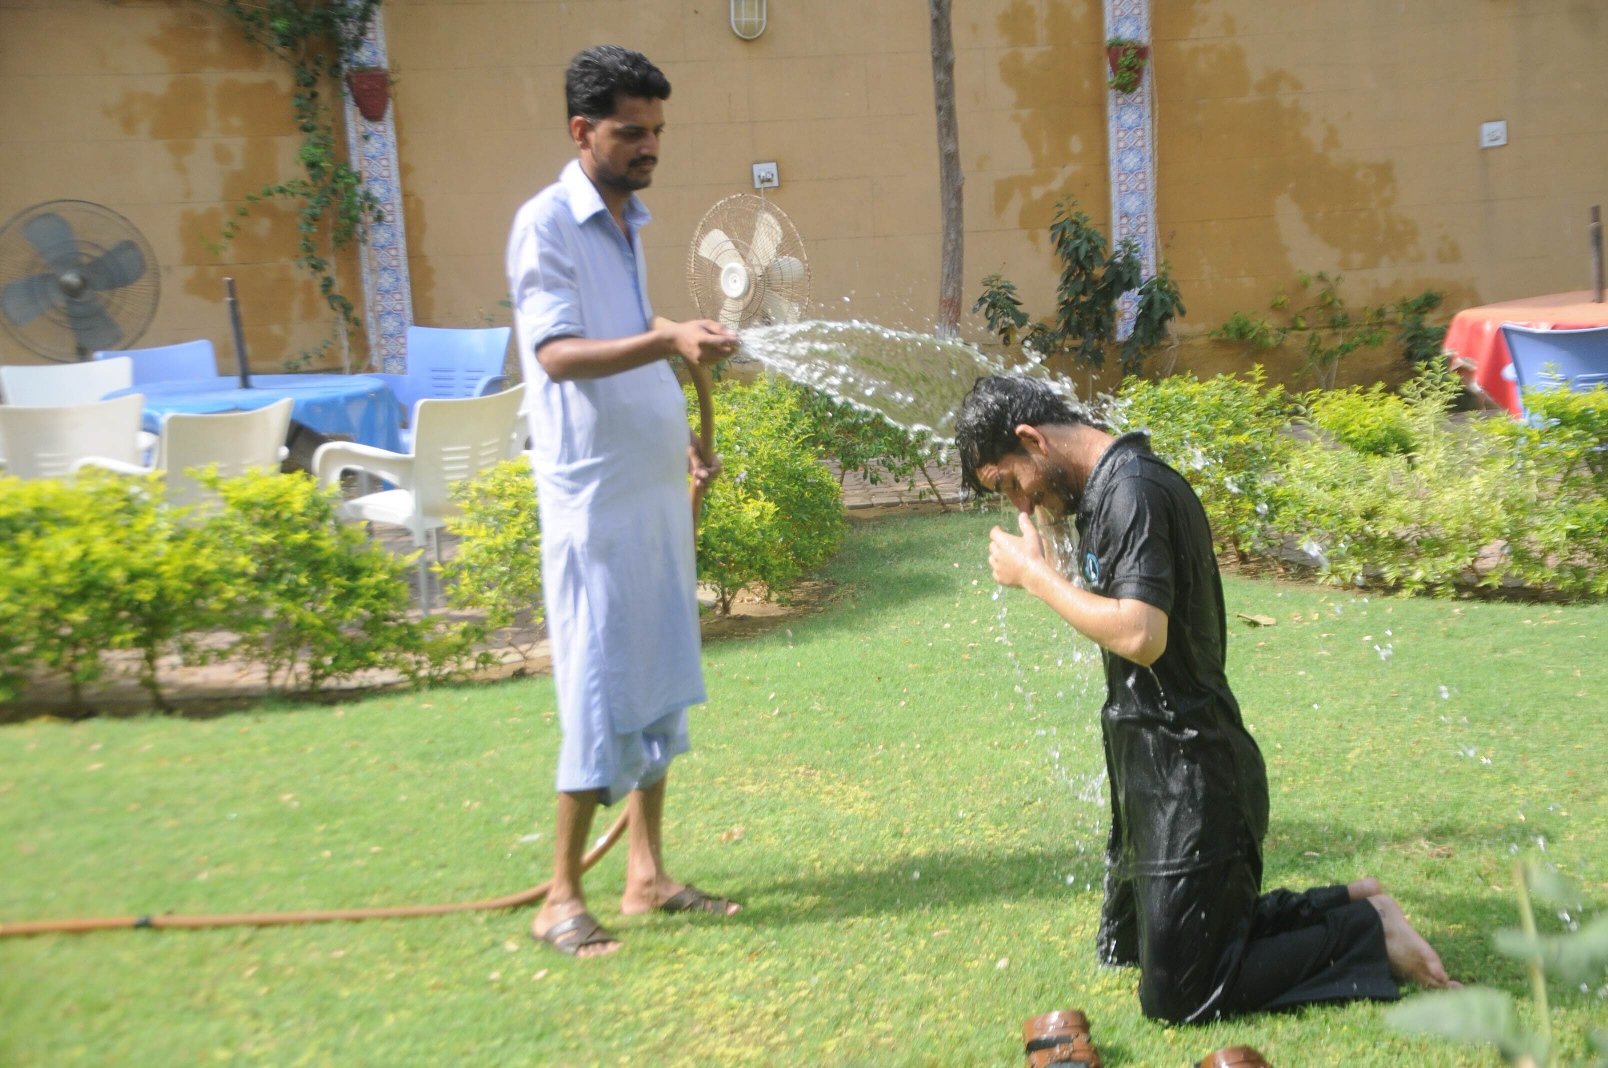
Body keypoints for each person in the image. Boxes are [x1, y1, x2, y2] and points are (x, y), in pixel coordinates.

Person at [954, 374, 1457, 1022]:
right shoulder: (1108, 490)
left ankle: (1366, 935)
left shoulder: (1132, 490)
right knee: (1131, 945)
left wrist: (1036, 578)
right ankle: (1349, 903)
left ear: (1031, 440)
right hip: (1152, 760)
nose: (1020, 504)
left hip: (1193, 772)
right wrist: (1049, 550)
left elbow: (1141, 633)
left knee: (1180, 993)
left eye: (1008, 484)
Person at [505, 45, 741, 958]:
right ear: (582, 131)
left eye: (657, 132)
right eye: (631, 132)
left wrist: (675, 395)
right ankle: (560, 895)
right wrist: (670, 337)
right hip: (594, 498)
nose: (649, 147)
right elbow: (558, 353)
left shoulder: (627, 217)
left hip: (649, 481)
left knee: (658, 675)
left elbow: (623, 336)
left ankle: (646, 875)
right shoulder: (547, 226)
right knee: (602, 683)